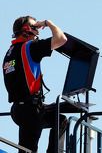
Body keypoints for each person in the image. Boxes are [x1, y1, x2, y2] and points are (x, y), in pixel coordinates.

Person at [2, 16, 68, 153]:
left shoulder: (10, 52)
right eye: (35, 27)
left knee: (60, 120)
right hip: (30, 111)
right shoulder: (29, 47)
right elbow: (61, 39)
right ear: (27, 29)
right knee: (28, 150)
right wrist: (48, 23)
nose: (38, 30)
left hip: (19, 109)